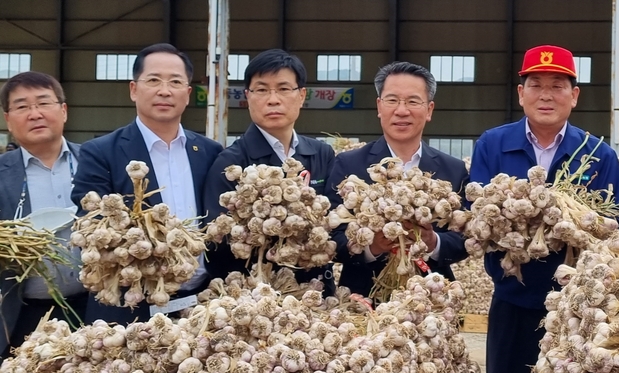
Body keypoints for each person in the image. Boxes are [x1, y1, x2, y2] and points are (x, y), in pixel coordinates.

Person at [469, 44, 619, 373]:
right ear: (520, 93)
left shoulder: (596, 153)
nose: (546, 93)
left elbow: (615, 229)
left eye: (558, 85)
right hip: (514, 302)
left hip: (578, 315)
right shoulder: (493, 145)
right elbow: (479, 221)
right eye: (535, 84)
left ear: (574, 95)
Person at [71, 43, 223, 324]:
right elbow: (90, 226)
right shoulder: (100, 152)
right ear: (133, 89)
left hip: (203, 307)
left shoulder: (211, 152)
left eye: (175, 82)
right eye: (153, 80)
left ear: (188, 94)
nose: (164, 90)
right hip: (129, 308)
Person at [325, 61, 468, 298]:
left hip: (432, 300)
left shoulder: (452, 170)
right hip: (361, 298)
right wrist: (371, 247)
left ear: (429, 110)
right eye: (392, 100)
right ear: (379, 106)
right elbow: (332, 236)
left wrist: (433, 242)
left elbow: (465, 240)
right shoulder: (349, 165)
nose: (402, 110)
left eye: (413, 101)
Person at [203, 49, 337, 281]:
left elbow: (336, 224)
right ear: (248, 96)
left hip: (316, 293)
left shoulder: (321, 153)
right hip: (257, 295)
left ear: (302, 95)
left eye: (284, 89)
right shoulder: (231, 164)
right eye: (262, 90)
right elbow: (217, 243)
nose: (273, 99)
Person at [0, 71, 87, 355]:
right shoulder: (2, 173)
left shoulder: (95, 162)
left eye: (43, 103)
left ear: (63, 111)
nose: (34, 113)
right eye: (22, 106)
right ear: (8, 120)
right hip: (22, 316)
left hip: (95, 310)